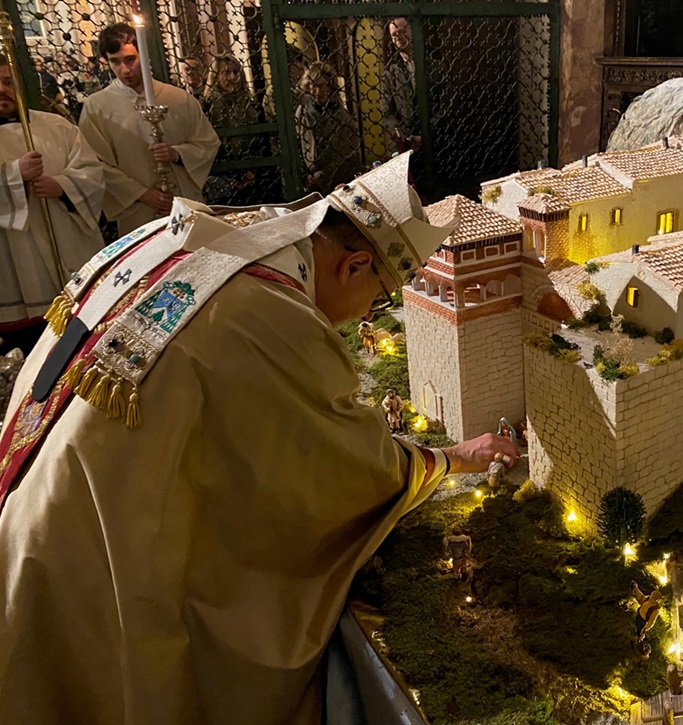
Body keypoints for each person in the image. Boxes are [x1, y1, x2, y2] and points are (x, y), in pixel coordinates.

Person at [0, 151, 520, 722]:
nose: (362, 321)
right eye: (375, 301)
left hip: (28, 492)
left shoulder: (197, 231)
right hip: (83, 567)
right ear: (352, 265)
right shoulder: (271, 313)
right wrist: (444, 461)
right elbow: (343, 470)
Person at [0, 54, 104, 357]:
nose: (3, 89)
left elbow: (92, 171)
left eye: (8, 82)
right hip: (14, 266)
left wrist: (63, 186)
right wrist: (13, 174)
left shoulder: (56, 126)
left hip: (66, 245)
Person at [79, 23, 219, 235]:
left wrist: (177, 154)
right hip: (137, 210)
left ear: (144, 55)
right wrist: (142, 194)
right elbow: (95, 163)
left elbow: (207, 143)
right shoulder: (97, 107)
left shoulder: (179, 99)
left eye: (130, 59)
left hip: (183, 203)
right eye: (114, 62)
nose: (124, 70)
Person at [201, 53, 271, 206]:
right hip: (221, 178)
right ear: (216, 76)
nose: (232, 77)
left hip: (256, 178)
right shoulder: (206, 107)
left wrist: (252, 171)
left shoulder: (252, 106)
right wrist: (234, 174)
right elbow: (207, 145)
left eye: (236, 72)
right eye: (226, 72)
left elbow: (263, 142)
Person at [296, 61, 361, 194]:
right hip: (310, 183)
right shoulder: (302, 111)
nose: (318, 91)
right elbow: (296, 144)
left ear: (331, 87)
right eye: (314, 85)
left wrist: (324, 175)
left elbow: (347, 153)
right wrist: (305, 176)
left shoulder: (342, 115)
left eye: (323, 86)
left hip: (338, 183)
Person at [382, 17, 419, 153]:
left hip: (435, 141)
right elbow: (387, 112)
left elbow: (444, 105)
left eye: (403, 31)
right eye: (394, 34)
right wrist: (406, 137)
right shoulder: (389, 72)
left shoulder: (433, 65)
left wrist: (426, 134)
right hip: (405, 145)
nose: (399, 37)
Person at [631, 581, 661, 658]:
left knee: (639, 636)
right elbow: (641, 598)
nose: (651, 595)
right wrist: (636, 588)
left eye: (653, 595)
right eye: (652, 594)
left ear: (656, 599)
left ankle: (642, 651)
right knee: (633, 631)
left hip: (642, 623)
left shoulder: (655, 610)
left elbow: (651, 622)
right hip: (637, 617)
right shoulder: (648, 599)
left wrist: (644, 629)